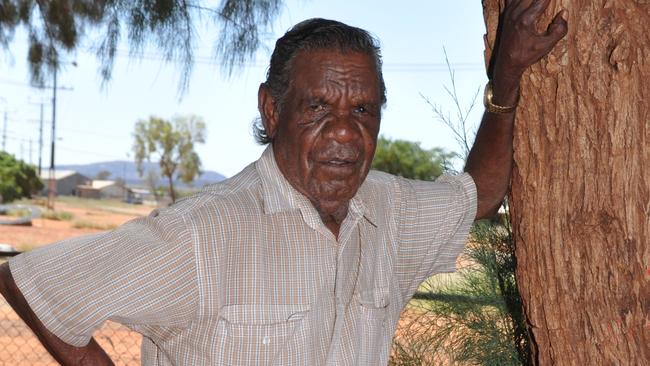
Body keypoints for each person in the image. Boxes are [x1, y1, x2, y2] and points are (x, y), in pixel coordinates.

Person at [0, 1, 567, 365]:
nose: (345, 132)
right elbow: (34, 286)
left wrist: (508, 76)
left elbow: (481, 195)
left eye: (364, 110)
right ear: (272, 111)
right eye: (319, 106)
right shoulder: (202, 235)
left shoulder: (389, 212)